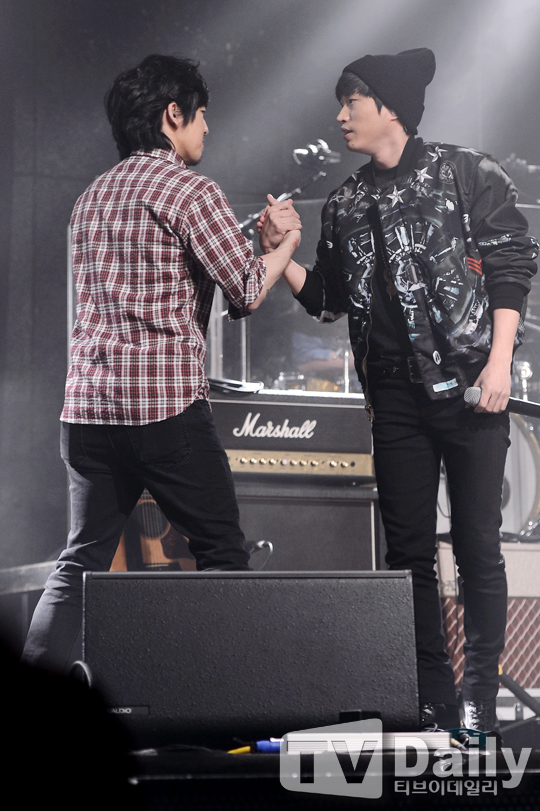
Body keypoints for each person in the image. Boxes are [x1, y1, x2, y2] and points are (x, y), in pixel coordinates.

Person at [260, 49, 538, 734]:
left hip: (470, 388)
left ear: (387, 106)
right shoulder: (346, 201)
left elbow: (511, 264)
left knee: (477, 546)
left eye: (350, 101)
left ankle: (479, 699)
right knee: (408, 553)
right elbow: (327, 298)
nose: (340, 115)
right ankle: (431, 698)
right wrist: (282, 252)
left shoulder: (466, 172)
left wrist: (499, 362)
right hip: (394, 400)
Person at [22, 54, 301, 674]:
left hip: (88, 412)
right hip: (165, 410)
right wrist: (284, 245)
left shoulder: (90, 198)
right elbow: (246, 291)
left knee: (80, 561)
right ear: (173, 115)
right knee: (223, 555)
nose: (207, 128)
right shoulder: (191, 191)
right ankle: (234, 701)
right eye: (202, 116)